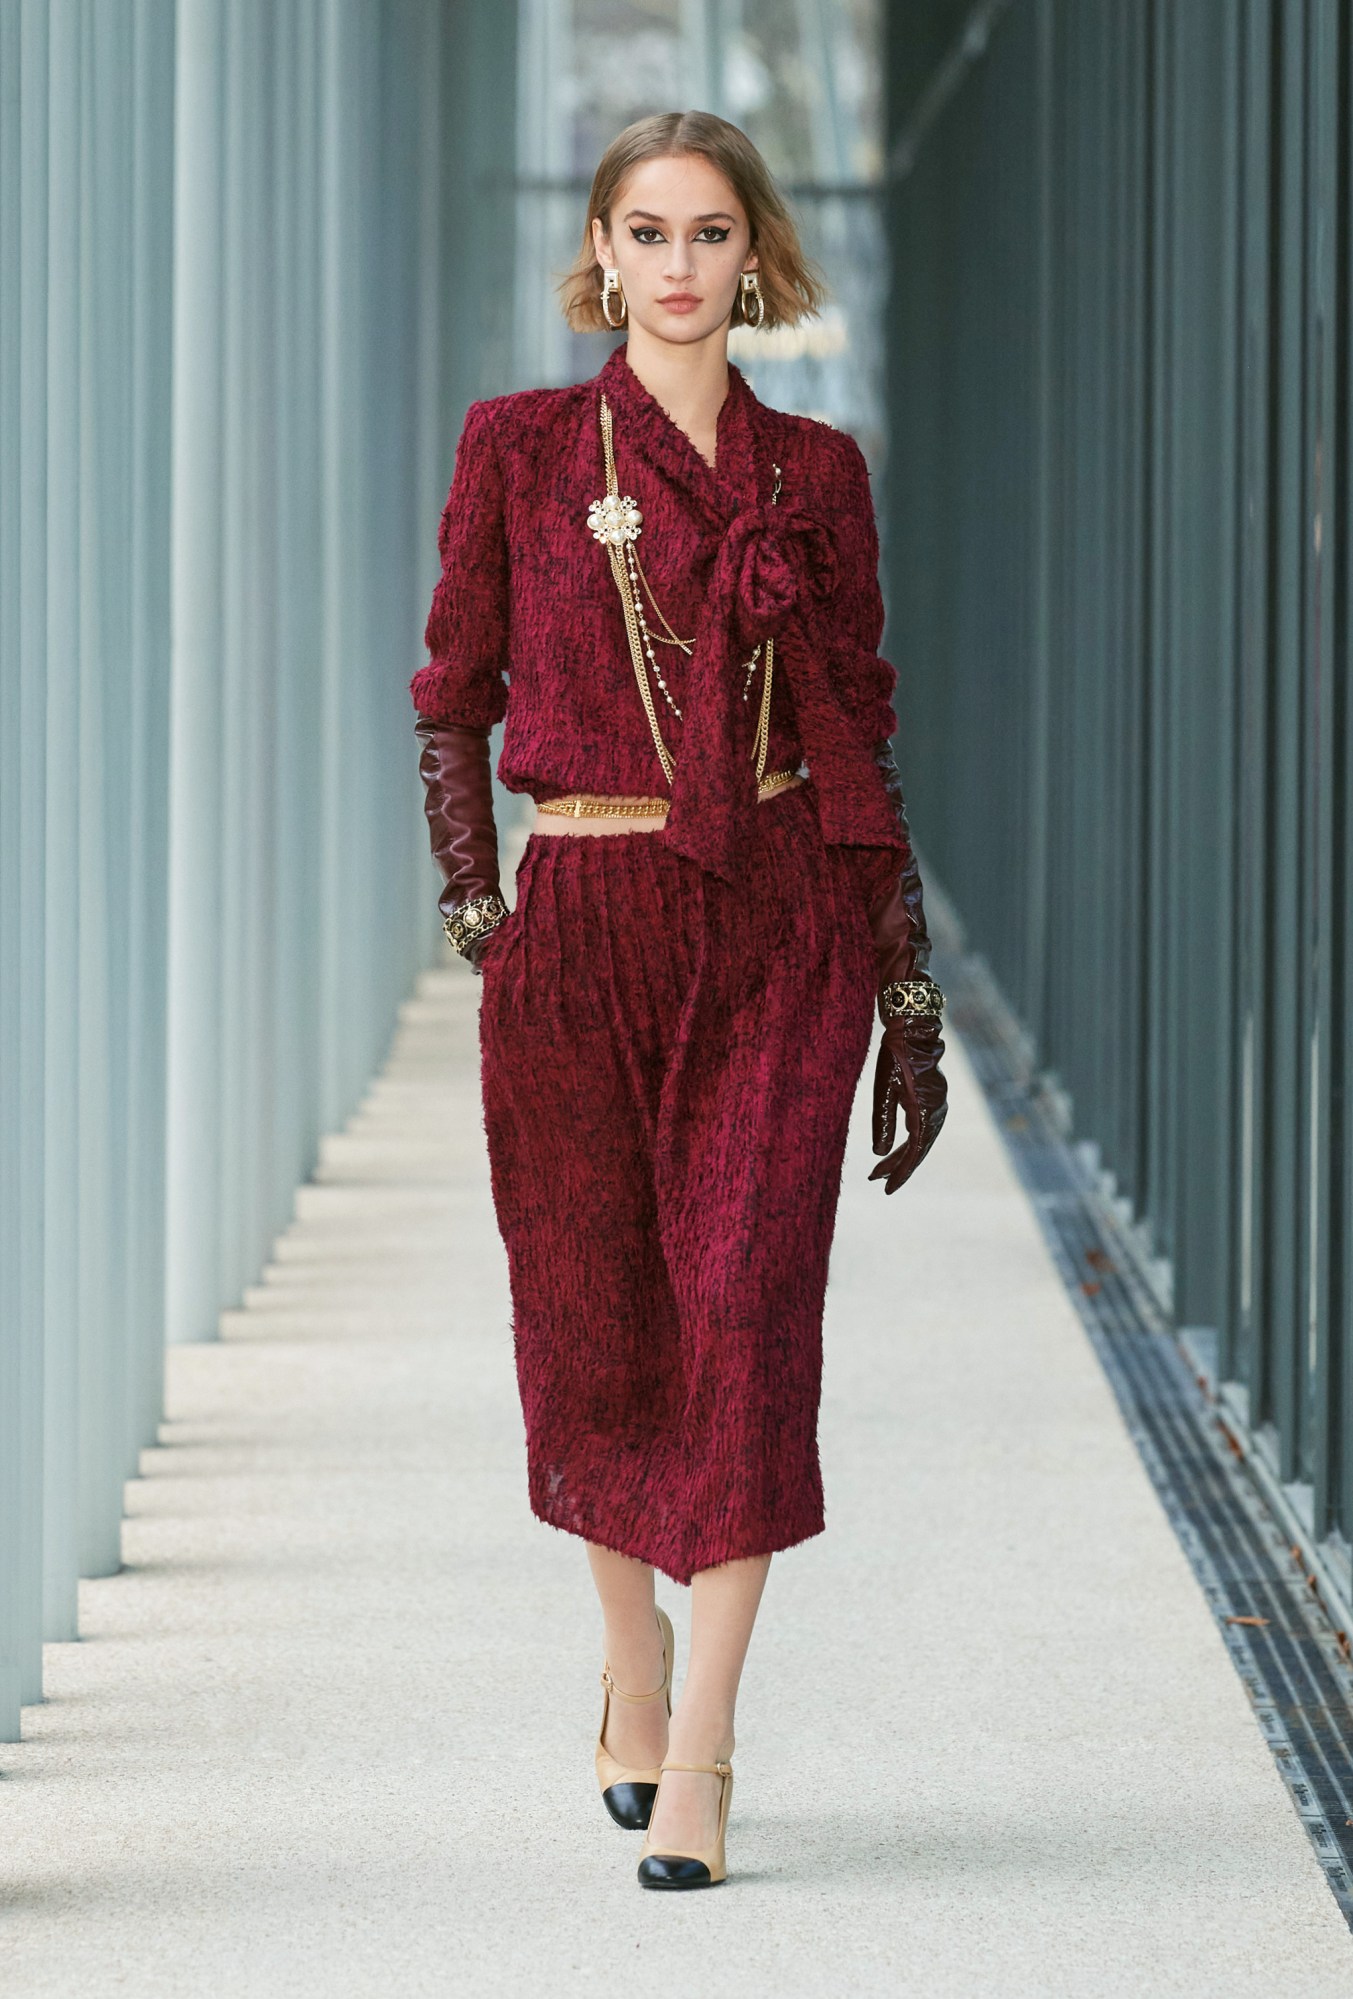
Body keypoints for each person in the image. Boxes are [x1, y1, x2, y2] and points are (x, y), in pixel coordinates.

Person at [411, 109, 947, 1892]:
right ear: (601, 251)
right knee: (601, 1320)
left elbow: (857, 733)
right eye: (645, 230)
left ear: (752, 252)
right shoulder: (522, 450)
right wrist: (480, 911)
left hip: (773, 925)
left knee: (742, 1320)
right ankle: (628, 1659)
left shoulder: (817, 473)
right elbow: (453, 693)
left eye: (710, 231)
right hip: (582, 921)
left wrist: (904, 983)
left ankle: (703, 1745)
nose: (678, 264)